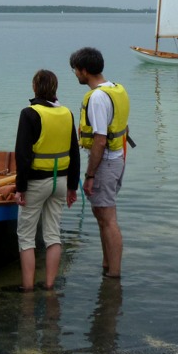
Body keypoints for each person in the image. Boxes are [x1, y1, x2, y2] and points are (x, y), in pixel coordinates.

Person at [13, 69, 79, 292]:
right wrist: (72, 187)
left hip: (36, 183)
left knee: (26, 237)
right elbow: (74, 153)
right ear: (55, 88)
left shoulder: (29, 113)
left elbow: (22, 155)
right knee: (53, 234)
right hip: (60, 181)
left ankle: (28, 287)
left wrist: (20, 187)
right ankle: (50, 285)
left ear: (35, 87)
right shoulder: (67, 113)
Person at [70, 47, 131, 279]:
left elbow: (100, 140)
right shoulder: (116, 89)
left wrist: (90, 175)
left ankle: (113, 275)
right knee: (102, 215)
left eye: (75, 70)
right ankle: (107, 266)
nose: (75, 74)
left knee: (107, 218)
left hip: (105, 162)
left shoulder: (97, 98)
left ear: (84, 70)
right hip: (117, 158)